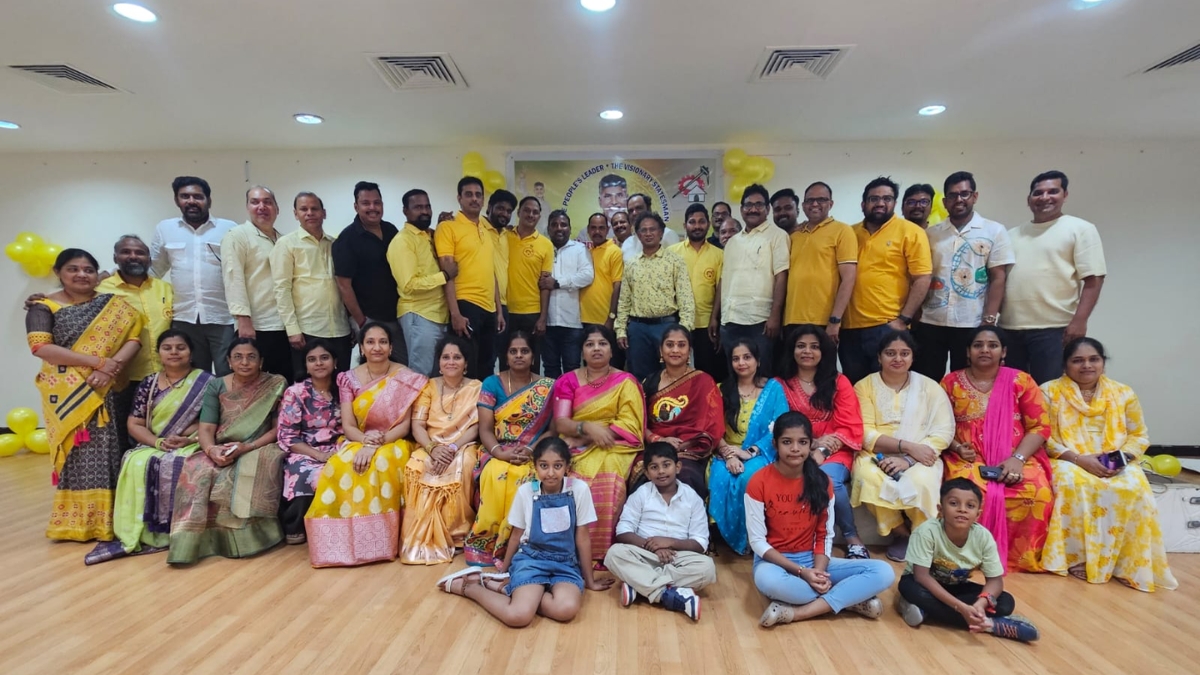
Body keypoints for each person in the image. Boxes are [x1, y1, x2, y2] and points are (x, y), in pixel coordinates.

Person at [1040, 338, 1177, 592]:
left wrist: (1120, 459)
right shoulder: (1049, 391)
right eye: (1078, 360)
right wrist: (1079, 459)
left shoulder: (1123, 393)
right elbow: (1043, 436)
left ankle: (1127, 564)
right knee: (1073, 483)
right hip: (1067, 459)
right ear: (1065, 365)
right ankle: (1078, 558)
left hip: (1115, 461)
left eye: (1094, 359)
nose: (1087, 366)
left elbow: (1139, 435)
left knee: (1135, 487)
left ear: (1103, 362)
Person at [26, 249, 143, 542]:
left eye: (88, 270)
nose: (81, 275)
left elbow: (134, 338)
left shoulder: (114, 305)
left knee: (113, 452)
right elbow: (41, 348)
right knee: (77, 455)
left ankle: (115, 521)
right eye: (73, 269)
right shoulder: (43, 306)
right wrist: (98, 363)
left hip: (109, 390)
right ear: (58, 272)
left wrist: (110, 369)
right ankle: (76, 522)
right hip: (68, 393)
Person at [436, 438, 614, 627]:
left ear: (567, 467)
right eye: (544, 466)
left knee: (566, 610)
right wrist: (503, 572)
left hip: (566, 564)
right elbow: (516, 535)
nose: (551, 473)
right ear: (535, 466)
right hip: (532, 560)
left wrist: (590, 581)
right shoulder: (526, 492)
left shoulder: (579, 490)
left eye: (557, 466)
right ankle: (469, 587)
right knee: (518, 616)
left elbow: (583, 538)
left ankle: (510, 591)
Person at [750, 412, 895, 627]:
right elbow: (757, 542)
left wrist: (818, 571)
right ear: (775, 444)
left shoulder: (822, 481)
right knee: (771, 583)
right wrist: (802, 573)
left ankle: (797, 613)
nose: (795, 449)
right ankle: (850, 600)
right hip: (774, 563)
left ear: (811, 445)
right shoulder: (758, 482)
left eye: (802, 442)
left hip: (813, 559)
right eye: (787, 442)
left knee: (883, 572)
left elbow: (825, 534)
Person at [304, 323, 427, 567]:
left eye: (382, 342)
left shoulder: (406, 378)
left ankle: (380, 544)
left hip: (394, 440)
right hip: (358, 438)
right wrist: (364, 441)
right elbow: (348, 425)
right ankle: (338, 547)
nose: (376, 347)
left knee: (381, 463)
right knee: (339, 465)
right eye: (370, 342)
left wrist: (375, 446)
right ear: (361, 348)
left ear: (391, 347)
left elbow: (404, 426)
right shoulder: (348, 378)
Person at [85, 330, 212, 564]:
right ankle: (144, 530)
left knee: (179, 462)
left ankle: (180, 532)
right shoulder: (149, 383)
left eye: (180, 347)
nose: (174, 352)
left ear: (191, 353)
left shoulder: (207, 383)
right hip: (155, 441)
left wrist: (189, 438)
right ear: (159, 354)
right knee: (135, 460)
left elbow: (215, 422)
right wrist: (158, 442)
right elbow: (134, 423)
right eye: (167, 348)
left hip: (193, 442)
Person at [941, 326, 1053, 572]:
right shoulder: (950, 383)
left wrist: (1018, 459)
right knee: (966, 494)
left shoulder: (1021, 381)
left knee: (1037, 492)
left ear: (1003, 352)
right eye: (978, 345)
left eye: (992, 345)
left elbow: (1040, 426)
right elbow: (938, 426)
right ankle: (963, 556)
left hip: (1016, 456)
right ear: (968, 352)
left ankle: (1020, 560)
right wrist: (958, 447)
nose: (985, 350)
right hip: (967, 458)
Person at [168, 337, 286, 564]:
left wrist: (247, 447)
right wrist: (211, 450)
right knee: (197, 469)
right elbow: (206, 428)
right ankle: (190, 545)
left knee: (248, 468)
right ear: (229, 361)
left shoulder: (275, 384)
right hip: (221, 444)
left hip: (260, 444)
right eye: (238, 357)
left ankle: (251, 541)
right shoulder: (217, 385)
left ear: (261, 361)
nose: (245, 362)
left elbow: (278, 428)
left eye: (251, 357)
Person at [851, 330, 955, 562]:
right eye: (890, 353)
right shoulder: (864, 386)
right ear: (879, 357)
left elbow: (944, 431)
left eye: (904, 353)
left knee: (922, 480)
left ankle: (922, 534)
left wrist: (909, 458)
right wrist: (906, 447)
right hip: (876, 453)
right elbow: (864, 432)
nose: (897, 358)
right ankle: (900, 533)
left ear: (912, 357)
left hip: (920, 455)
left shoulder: (930, 387)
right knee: (867, 476)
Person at [896, 479, 1040, 643]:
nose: (962, 510)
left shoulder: (983, 537)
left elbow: (995, 581)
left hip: (956, 586)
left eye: (970, 506)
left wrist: (981, 604)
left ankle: (926, 611)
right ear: (940, 510)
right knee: (910, 589)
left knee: (1005, 601)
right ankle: (991, 625)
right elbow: (922, 576)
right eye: (954, 503)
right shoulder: (926, 532)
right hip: (923, 584)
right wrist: (961, 607)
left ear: (978, 514)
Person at [1001, 170, 1106, 384]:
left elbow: (1093, 279)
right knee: (1014, 393)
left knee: (1049, 393)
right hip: (1009, 328)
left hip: (1054, 329)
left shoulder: (1080, 229)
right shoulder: (1010, 235)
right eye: (1038, 193)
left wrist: (1079, 321)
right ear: (1029, 199)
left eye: (1052, 191)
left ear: (1065, 195)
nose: (1045, 197)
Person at [551, 324, 646, 561]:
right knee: (572, 474)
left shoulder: (626, 381)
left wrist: (594, 434)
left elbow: (630, 423)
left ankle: (600, 551)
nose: (596, 349)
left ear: (612, 350)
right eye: (590, 344)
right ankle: (567, 550)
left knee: (610, 475)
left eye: (603, 344)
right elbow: (561, 422)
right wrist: (586, 428)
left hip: (615, 444)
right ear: (582, 351)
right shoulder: (567, 381)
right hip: (575, 444)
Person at [465, 331, 557, 566]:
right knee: (496, 473)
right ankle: (487, 542)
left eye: (524, 351)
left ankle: (522, 545)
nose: (519, 355)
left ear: (533, 356)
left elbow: (553, 430)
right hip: (497, 449)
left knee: (528, 477)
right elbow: (485, 429)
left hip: (533, 451)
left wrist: (531, 450)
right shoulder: (491, 383)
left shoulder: (548, 387)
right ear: (505, 356)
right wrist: (500, 453)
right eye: (513, 351)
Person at [913, 172, 1014, 381]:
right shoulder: (931, 234)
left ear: (974, 196)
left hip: (972, 321)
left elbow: (998, 277)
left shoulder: (994, 231)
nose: (959, 199)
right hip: (931, 321)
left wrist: (989, 320)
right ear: (945, 202)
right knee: (927, 380)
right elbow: (921, 275)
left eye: (964, 194)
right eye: (952, 195)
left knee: (966, 381)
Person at [779, 326, 868, 558]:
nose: (807, 351)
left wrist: (822, 450)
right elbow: (777, 423)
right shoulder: (781, 384)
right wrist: (811, 444)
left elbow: (849, 426)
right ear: (792, 350)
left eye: (814, 347)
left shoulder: (839, 382)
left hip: (835, 450)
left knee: (828, 479)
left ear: (823, 352)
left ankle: (852, 537)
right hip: (794, 448)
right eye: (801, 346)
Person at [606, 442, 716, 620]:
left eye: (666, 465)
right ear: (647, 473)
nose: (661, 471)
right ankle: (669, 594)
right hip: (644, 553)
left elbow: (700, 542)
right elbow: (623, 530)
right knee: (614, 554)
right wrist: (653, 547)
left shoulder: (692, 498)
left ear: (677, 467)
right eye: (654, 467)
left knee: (707, 568)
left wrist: (670, 543)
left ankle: (639, 585)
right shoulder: (641, 494)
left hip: (678, 557)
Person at [840, 177, 932, 384]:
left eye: (887, 198)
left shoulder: (911, 232)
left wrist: (904, 319)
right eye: (874, 199)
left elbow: (922, 278)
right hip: (850, 328)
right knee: (856, 389)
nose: (880, 203)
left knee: (890, 388)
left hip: (888, 327)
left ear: (894, 203)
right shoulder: (849, 233)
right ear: (863, 204)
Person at [402, 335, 483, 564]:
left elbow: (476, 426)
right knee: (416, 465)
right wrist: (432, 448)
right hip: (430, 444)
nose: (451, 362)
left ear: (465, 363)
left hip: (463, 444)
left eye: (457, 357)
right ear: (438, 362)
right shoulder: (428, 386)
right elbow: (417, 425)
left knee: (464, 464)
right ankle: (422, 534)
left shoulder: (476, 387)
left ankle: (457, 534)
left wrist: (453, 447)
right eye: (446, 357)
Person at [708, 340, 789, 554]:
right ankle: (721, 536)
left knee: (748, 477)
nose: (741, 363)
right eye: (736, 359)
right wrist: (729, 455)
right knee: (718, 475)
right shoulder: (721, 389)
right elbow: (713, 427)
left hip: (762, 451)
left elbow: (781, 427)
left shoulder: (773, 389)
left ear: (758, 360)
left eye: (747, 357)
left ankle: (750, 538)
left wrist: (749, 451)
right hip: (725, 450)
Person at [150, 176, 237, 374]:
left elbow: (240, 271)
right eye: (185, 196)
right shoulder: (165, 229)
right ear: (176, 200)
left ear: (208, 200)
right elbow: (154, 270)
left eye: (198, 196)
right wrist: (113, 276)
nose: (191, 201)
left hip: (222, 316)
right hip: (184, 317)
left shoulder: (229, 228)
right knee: (193, 376)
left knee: (228, 374)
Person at [634, 325, 723, 499]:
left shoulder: (703, 381)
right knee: (643, 476)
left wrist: (683, 445)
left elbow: (712, 425)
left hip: (690, 450)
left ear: (689, 351)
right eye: (670, 345)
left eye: (681, 345)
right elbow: (638, 422)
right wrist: (659, 440)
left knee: (685, 475)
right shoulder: (649, 382)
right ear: (661, 350)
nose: (675, 350)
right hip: (655, 447)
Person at [271, 192, 353, 374]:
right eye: (304, 209)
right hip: (307, 329)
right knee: (307, 385)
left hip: (340, 328)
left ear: (324, 213)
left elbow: (345, 286)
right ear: (295, 214)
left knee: (341, 382)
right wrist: (292, 329)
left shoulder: (335, 244)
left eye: (314, 208)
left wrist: (351, 322)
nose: (309, 213)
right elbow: (281, 289)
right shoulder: (286, 244)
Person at [437, 176, 505, 380]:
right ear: (459, 198)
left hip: (489, 310)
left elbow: (491, 272)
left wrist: (499, 310)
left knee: (486, 368)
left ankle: (483, 403)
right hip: (465, 306)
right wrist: (455, 313)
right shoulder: (448, 227)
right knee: (466, 368)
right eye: (468, 194)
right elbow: (447, 274)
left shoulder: (485, 229)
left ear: (483, 200)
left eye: (478, 195)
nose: (474, 199)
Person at [277, 340, 344, 546]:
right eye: (312, 359)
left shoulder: (344, 390)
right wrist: (319, 455)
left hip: (340, 446)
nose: (319, 363)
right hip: (304, 449)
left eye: (324, 358)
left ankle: (342, 525)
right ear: (306, 366)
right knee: (308, 472)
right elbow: (288, 436)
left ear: (335, 362)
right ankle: (296, 525)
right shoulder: (296, 393)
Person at [221, 186, 291, 381]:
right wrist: (243, 319)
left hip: (284, 325)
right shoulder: (237, 236)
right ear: (247, 208)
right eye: (255, 202)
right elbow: (233, 278)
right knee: (255, 383)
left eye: (267, 202)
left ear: (277, 208)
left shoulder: (283, 240)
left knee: (282, 381)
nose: (262, 206)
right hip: (256, 325)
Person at [615, 212, 695, 381]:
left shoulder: (675, 261)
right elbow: (624, 300)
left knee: (672, 376)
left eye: (653, 229)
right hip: (638, 330)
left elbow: (685, 297)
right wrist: (621, 329)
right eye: (643, 230)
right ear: (638, 235)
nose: (648, 233)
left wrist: (684, 331)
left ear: (661, 232)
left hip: (666, 326)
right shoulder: (631, 264)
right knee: (640, 379)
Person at [719, 184, 790, 373]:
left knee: (761, 375)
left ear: (767, 209)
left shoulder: (777, 236)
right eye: (748, 205)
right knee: (734, 374)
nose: (753, 209)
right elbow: (724, 280)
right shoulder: (733, 242)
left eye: (759, 205)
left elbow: (781, 276)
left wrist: (775, 315)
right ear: (741, 209)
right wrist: (717, 318)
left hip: (760, 322)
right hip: (730, 320)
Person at [333, 181, 406, 364]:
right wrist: (362, 322)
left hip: (397, 314)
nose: (372, 208)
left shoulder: (391, 230)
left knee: (401, 367)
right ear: (356, 206)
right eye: (366, 203)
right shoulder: (347, 239)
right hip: (369, 317)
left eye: (377, 202)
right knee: (375, 368)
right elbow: (344, 285)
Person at [783, 182, 857, 343]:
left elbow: (849, 278)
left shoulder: (842, 231)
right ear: (803, 205)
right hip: (791, 319)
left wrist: (835, 320)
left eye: (821, 199)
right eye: (810, 200)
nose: (815, 204)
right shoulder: (794, 236)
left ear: (831, 203)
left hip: (823, 320)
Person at [97, 235, 175, 388]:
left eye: (140, 253)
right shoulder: (100, 290)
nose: (133, 256)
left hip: (165, 374)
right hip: (120, 376)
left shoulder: (165, 288)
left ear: (149, 260)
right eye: (126, 252)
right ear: (115, 258)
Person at [388, 188, 448, 377]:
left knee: (439, 374)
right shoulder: (402, 241)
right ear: (405, 211)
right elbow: (409, 284)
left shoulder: (429, 235)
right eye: (418, 207)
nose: (425, 211)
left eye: (427, 207)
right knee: (420, 375)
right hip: (419, 314)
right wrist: (444, 276)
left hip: (440, 315)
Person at [668, 203, 726, 383]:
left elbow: (720, 290)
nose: (697, 226)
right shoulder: (672, 253)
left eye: (701, 221)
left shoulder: (719, 254)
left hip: (706, 324)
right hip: (677, 321)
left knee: (706, 372)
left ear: (708, 224)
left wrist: (714, 318)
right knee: (678, 372)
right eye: (692, 222)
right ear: (685, 225)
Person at [540, 210, 594, 378]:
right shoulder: (543, 248)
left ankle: (571, 397)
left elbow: (587, 275)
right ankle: (553, 397)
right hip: (546, 322)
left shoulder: (579, 249)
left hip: (572, 323)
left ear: (570, 229)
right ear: (548, 228)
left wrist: (557, 283)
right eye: (554, 225)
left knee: (572, 369)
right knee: (550, 368)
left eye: (563, 225)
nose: (559, 228)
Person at [504, 196, 554, 367]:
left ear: (539, 216)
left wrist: (543, 317)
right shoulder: (504, 236)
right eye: (526, 210)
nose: (531, 215)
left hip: (532, 312)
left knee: (531, 361)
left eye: (535, 212)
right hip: (505, 311)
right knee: (506, 360)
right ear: (518, 212)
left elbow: (545, 284)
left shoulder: (545, 244)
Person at [485, 190, 517, 370]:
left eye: (509, 211)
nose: (504, 213)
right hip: (485, 303)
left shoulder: (507, 234)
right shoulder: (478, 228)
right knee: (486, 359)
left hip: (504, 305)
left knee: (504, 358)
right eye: (500, 208)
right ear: (489, 207)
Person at [580, 211, 624, 331]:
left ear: (607, 230)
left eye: (601, 228)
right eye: (593, 228)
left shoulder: (615, 252)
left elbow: (618, 286)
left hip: (604, 320)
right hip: (582, 319)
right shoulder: (586, 252)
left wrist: (611, 317)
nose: (597, 232)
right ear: (588, 230)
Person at [620, 193, 681, 262]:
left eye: (639, 208)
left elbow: (676, 263)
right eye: (630, 211)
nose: (634, 213)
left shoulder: (667, 234)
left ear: (649, 209)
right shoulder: (627, 243)